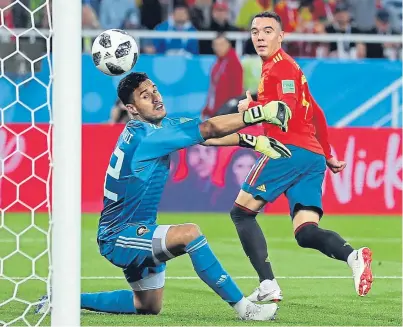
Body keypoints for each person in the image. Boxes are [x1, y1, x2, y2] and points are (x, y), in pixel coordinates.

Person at [36, 72, 292, 320]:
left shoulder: (156, 127)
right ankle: (245, 309)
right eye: (145, 96)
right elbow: (210, 128)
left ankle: (62, 299)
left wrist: (252, 142)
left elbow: (205, 137)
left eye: (155, 90)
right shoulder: (147, 137)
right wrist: (259, 114)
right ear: (132, 109)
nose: (156, 97)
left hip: (139, 229)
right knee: (190, 234)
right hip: (120, 237)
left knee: (148, 305)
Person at [231, 11, 373, 303]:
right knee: (306, 231)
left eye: (268, 31)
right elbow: (316, 113)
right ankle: (353, 256)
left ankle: (268, 283)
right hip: (311, 156)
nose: (260, 36)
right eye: (255, 31)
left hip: (286, 149)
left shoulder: (279, 68)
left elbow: (288, 107)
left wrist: (250, 107)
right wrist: (328, 154)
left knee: (242, 213)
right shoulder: (288, 68)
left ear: (281, 36)